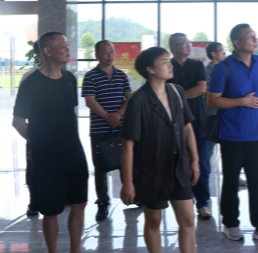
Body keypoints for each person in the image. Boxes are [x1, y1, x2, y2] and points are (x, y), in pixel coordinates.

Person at [12, 31, 88, 253]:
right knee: (50, 210)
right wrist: (39, 143)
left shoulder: (69, 79)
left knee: (79, 203)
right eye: (62, 45)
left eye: (67, 45)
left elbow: (67, 113)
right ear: (47, 51)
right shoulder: (31, 83)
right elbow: (18, 122)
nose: (68, 49)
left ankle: (76, 249)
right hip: (46, 157)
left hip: (74, 151)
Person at [207, 24, 258, 244]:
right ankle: (230, 223)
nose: (255, 40)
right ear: (237, 43)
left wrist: (249, 102)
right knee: (231, 181)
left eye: (255, 36)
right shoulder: (223, 68)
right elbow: (212, 101)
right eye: (250, 37)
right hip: (231, 134)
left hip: (256, 133)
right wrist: (242, 101)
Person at [120, 46, 200, 253]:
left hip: (179, 166)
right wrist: (128, 182)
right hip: (152, 170)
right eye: (164, 62)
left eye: (169, 60)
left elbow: (187, 128)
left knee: (188, 219)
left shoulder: (177, 92)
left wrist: (194, 160)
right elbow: (128, 145)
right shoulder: (138, 100)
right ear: (151, 69)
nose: (170, 64)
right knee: (154, 220)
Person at [82, 40, 132, 221]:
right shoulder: (90, 76)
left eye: (111, 51)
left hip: (121, 127)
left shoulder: (121, 75)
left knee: (126, 162)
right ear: (96, 55)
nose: (109, 55)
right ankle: (103, 202)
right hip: (99, 129)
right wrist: (108, 117)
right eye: (105, 52)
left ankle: (131, 196)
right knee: (101, 166)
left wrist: (118, 115)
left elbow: (129, 97)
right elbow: (90, 101)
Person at [166, 33, 212, 218]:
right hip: (175, 123)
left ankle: (203, 203)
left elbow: (202, 88)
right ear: (173, 47)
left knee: (202, 163)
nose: (188, 45)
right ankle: (187, 201)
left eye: (188, 42)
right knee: (180, 164)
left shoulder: (197, 65)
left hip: (198, 121)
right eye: (183, 43)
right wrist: (185, 95)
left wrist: (177, 97)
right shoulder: (167, 66)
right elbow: (164, 91)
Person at [205, 41, 247, 187]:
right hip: (213, 116)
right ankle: (203, 179)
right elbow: (209, 93)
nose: (224, 53)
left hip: (229, 114)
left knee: (231, 151)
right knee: (208, 149)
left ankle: (235, 177)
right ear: (213, 54)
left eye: (224, 50)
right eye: (221, 50)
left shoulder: (228, 68)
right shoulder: (208, 71)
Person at [19, 40, 43, 217]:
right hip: (37, 133)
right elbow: (20, 116)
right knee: (33, 168)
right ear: (39, 54)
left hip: (59, 135)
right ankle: (34, 201)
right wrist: (33, 140)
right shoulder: (29, 78)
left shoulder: (65, 77)